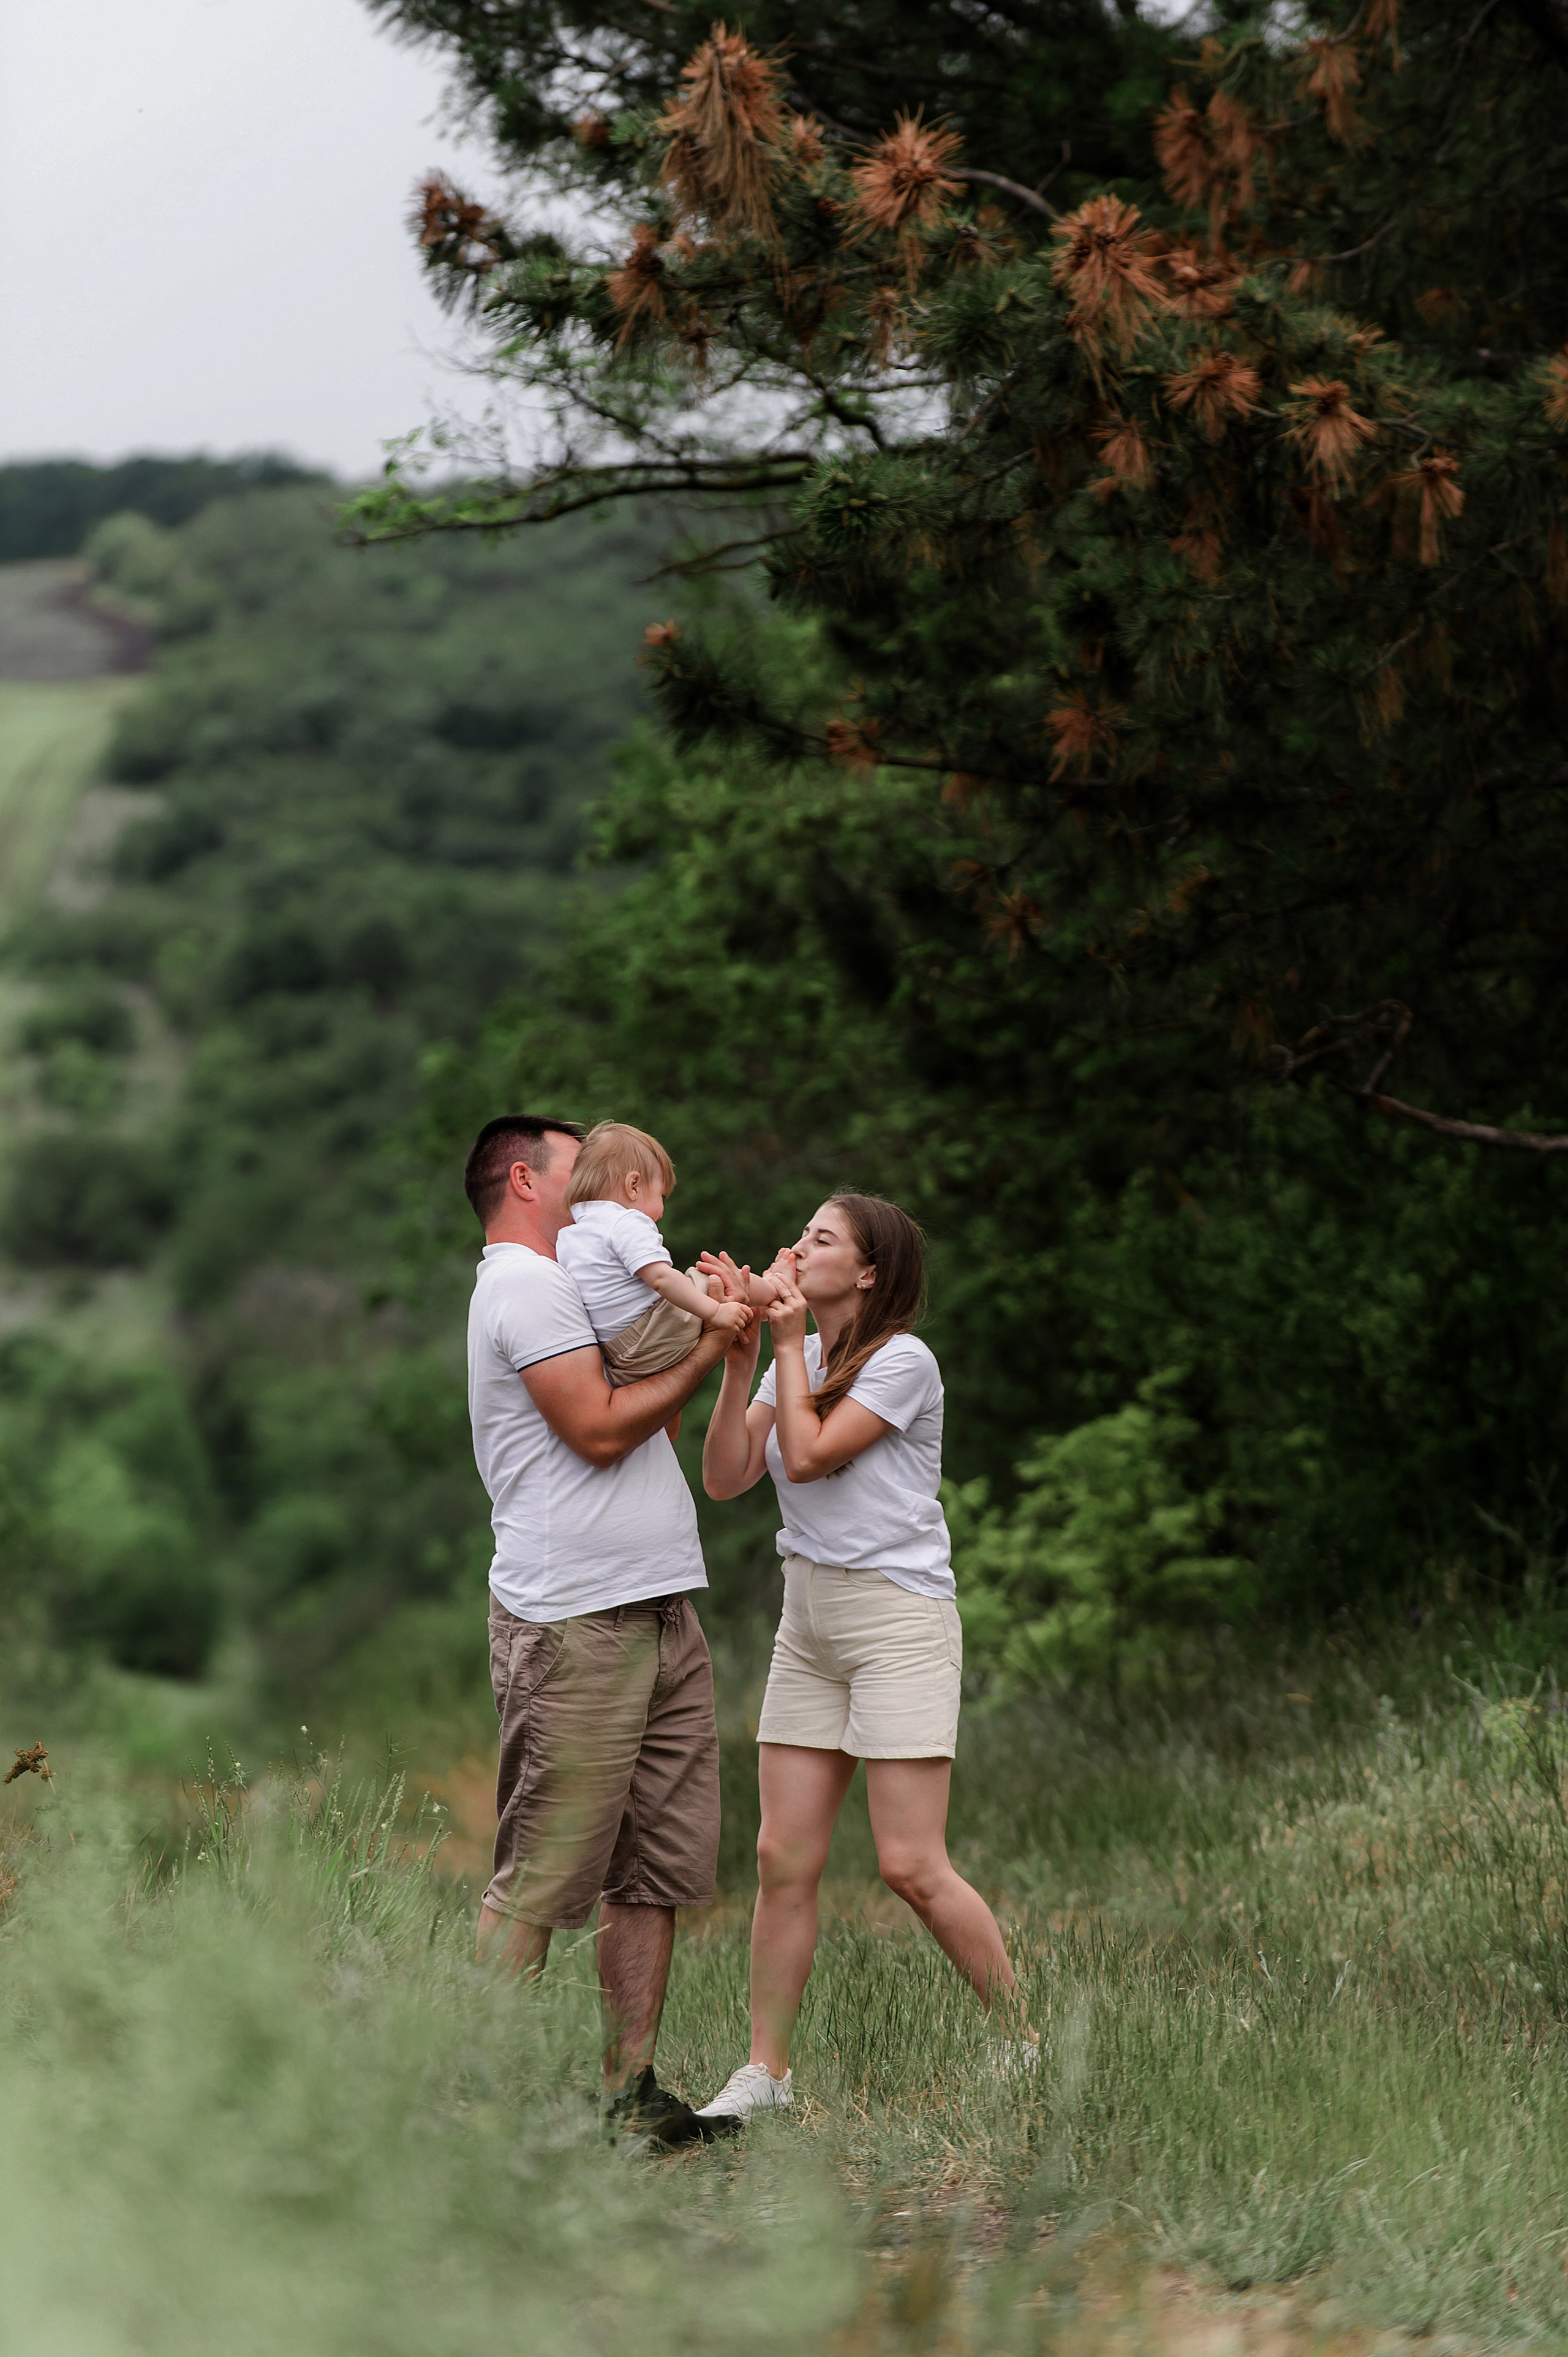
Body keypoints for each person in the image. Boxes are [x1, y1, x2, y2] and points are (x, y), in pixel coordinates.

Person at [692, 1193, 1028, 2125]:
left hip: (896, 1622)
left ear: (869, 1272)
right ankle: (766, 2074)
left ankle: (1025, 2045)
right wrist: (743, 1360)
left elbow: (806, 1459)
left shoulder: (902, 1361)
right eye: (799, 1235)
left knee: (910, 1864)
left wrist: (789, 1343)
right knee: (780, 1855)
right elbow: (727, 1479)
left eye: (821, 1240)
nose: (796, 1249)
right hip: (810, 1621)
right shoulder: (797, 1359)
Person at [463, 1112, 754, 2148]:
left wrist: (712, 1330)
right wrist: (708, 1336)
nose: (594, 1183)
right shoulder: (523, 1286)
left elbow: (649, 1422)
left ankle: (628, 2098)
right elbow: (594, 1430)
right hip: (575, 1616)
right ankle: (478, 2109)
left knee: (655, 1868)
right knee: (543, 1871)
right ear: (521, 1178)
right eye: (571, 1165)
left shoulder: (583, 1282)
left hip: (660, 1600)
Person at [557, 1120, 782, 1385]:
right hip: (652, 1334)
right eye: (661, 1195)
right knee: (713, 1277)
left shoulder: (568, 1236)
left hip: (619, 1357)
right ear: (633, 1185)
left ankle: (764, 1306)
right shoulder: (624, 1221)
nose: (662, 1211)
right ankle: (776, 1289)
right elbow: (661, 1279)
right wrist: (715, 1313)